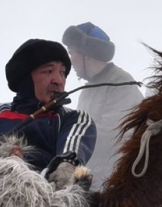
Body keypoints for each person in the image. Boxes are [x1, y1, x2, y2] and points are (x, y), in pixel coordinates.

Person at [0, 38, 95, 171]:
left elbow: (67, 161)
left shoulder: (73, 119)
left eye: (62, 72)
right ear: (25, 79)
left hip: (44, 198)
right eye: (48, 71)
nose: (59, 80)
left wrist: (59, 166)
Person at [60, 22, 141, 182]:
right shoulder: (87, 90)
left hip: (116, 179)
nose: (70, 62)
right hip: (90, 175)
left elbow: (113, 135)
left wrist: (67, 147)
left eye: (71, 53)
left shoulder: (121, 83)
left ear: (86, 54)